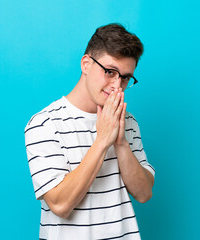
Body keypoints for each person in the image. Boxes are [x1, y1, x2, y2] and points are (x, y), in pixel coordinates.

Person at [24, 23, 155, 240]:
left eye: (125, 77)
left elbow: (144, 193)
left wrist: (120, 142)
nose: (117, 85)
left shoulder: (128, 122)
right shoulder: (45, 124)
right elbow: (60, 204)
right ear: (86, 64)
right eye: (110, 72)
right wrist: (103, 141)